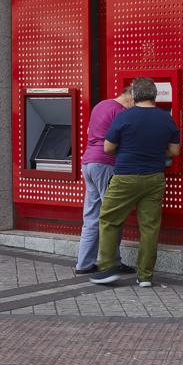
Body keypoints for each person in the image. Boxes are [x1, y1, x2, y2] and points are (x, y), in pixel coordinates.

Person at [88, 78, 179, 288]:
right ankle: (145, 276)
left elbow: (108, 148)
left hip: (125, 177)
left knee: (109, 219)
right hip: (155, 177)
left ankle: (108, 269)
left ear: (135, 95)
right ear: (154, 95)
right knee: (149, 227)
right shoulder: (166, 120)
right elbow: (174, 151)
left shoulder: (124, 116)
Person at [74, 87, 135, 275]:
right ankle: (113, 262)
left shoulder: (100, 105)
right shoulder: (121, 112)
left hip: (88, 163)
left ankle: (84, 264)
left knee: (92, 216)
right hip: (106, 164)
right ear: (131, 98)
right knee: (112, 215)